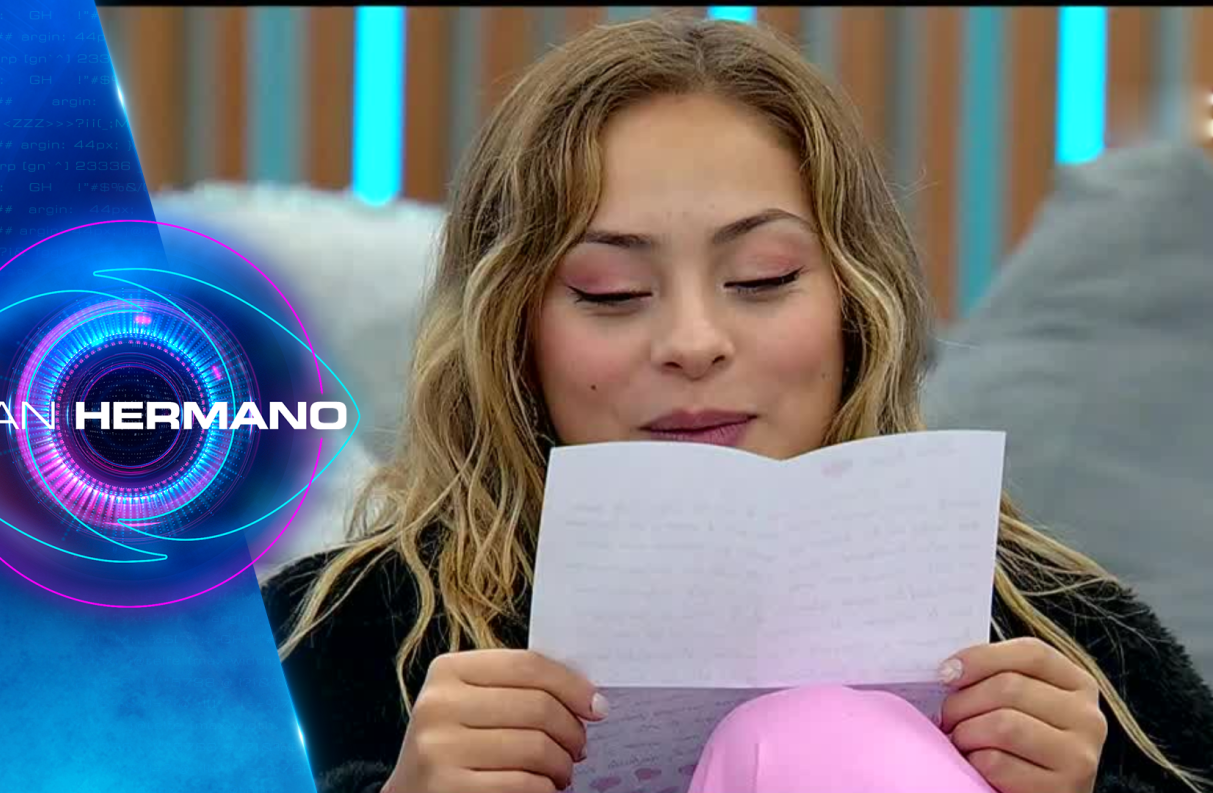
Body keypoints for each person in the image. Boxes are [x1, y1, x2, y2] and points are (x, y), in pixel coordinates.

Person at [262, 15, 1213, 793]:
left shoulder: (1064, 638)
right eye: (608, 291)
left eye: (763, 277)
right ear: (509, 327)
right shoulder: (322, 640)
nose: (693, 340)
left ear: (857, 304)